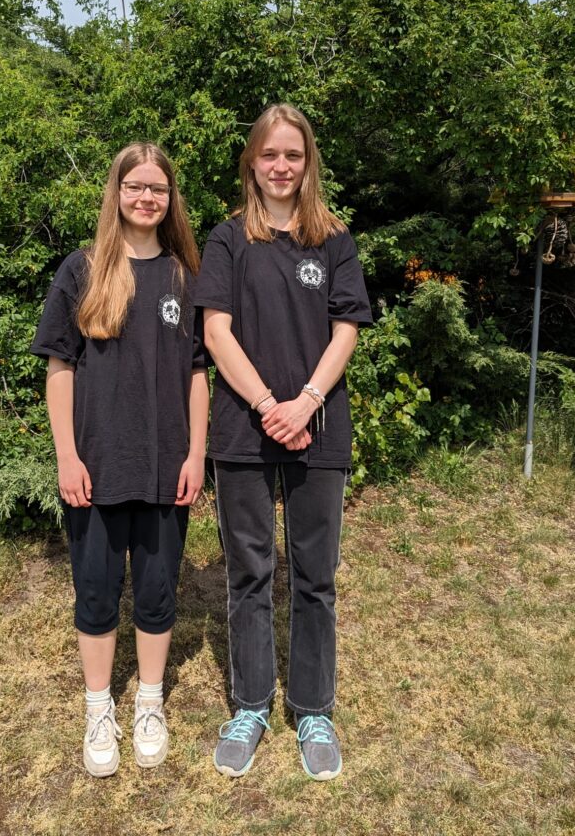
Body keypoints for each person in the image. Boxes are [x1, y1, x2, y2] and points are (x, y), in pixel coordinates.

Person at [195, 104, 372, 781]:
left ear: (307, 163)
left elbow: (346, 331)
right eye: (270, 154)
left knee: (314, 577)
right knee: (249, 575)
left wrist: (306, 403)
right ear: (252, 162)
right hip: (244, 431)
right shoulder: (227, 240)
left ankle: (313, 709)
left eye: (292, 154)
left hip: (318, 429)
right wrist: (270, 404)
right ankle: (249, 705)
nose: (280, 165)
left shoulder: (335, 242)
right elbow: (215, 332)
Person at [31, 143, 209, 777]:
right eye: (135, 186)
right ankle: (98, 707)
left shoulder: (187, 276)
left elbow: (196, 375)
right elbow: (59, 370)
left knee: (159, 594)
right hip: (97, 465)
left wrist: (196, 453)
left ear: (169, 198)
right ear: (117, 192)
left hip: (167, 468)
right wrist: (67, 456)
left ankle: (151, 703)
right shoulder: (81, 271)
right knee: (98, 593)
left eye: (157, 188)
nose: (145, 197)